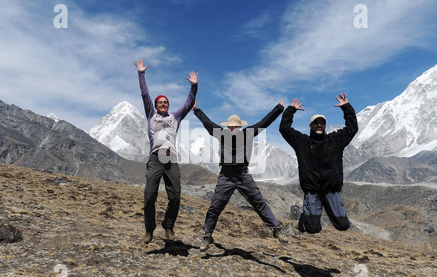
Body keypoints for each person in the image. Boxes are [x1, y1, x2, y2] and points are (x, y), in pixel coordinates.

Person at [192, 101, 290, 252]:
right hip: (226, 175)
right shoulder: (221, 133)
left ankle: (276, 229)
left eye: (235, 126)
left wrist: (279, 109)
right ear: (227, 127)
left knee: (259, 202)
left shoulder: (247, 133)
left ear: (240, 127)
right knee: (215, 206)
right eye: (230, 126)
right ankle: (207, 235)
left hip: (243, 174)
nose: (232, 128)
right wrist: (196, 110)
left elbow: (264, 122)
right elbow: (208, 123)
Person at [134, 59, 198, 243]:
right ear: (156, 105)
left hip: (171, 159)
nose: (163, 104)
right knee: (149, 196)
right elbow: (145, 94)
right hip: (155, 158)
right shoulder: (151, 115)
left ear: (168, 105)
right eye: (160, 102)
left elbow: (188, 103)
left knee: (176, 196)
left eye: (165, 102)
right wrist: (141, 74)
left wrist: (194, 87)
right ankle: (149, 230)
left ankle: (168, 226)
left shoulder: (175, 117)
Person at [279, 93, 358, 234]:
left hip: (331, 190)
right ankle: (305, 218)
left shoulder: (335, 140)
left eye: (322, 123)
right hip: (312, 191)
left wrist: (346, 107)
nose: (319, 125)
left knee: (343, 225)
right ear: (310, 125)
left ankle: (326, 209)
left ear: (325, 125)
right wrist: (291, 110)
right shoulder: (302, 142)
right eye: (316, 123)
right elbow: (284, 129)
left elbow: (352, 129)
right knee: (313, 229)